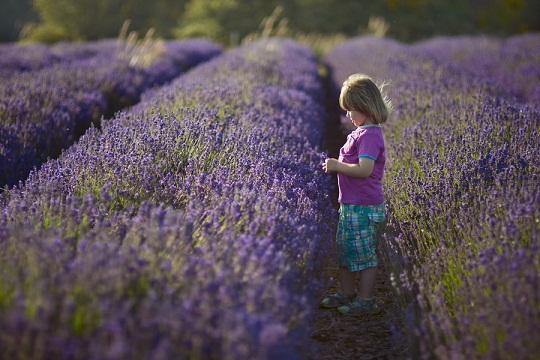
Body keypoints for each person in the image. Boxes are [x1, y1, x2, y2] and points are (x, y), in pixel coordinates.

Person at [320, 73, 392, 316]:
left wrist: (338, 166)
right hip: (350, 204)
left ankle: (366, 299)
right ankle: (348, 293)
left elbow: (365, 170)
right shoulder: (361, 133)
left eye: (351, 109)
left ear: (366, 107)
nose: (348, 115)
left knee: (364, 254)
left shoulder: (370, 135)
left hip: (364, 206)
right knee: (345, 251)